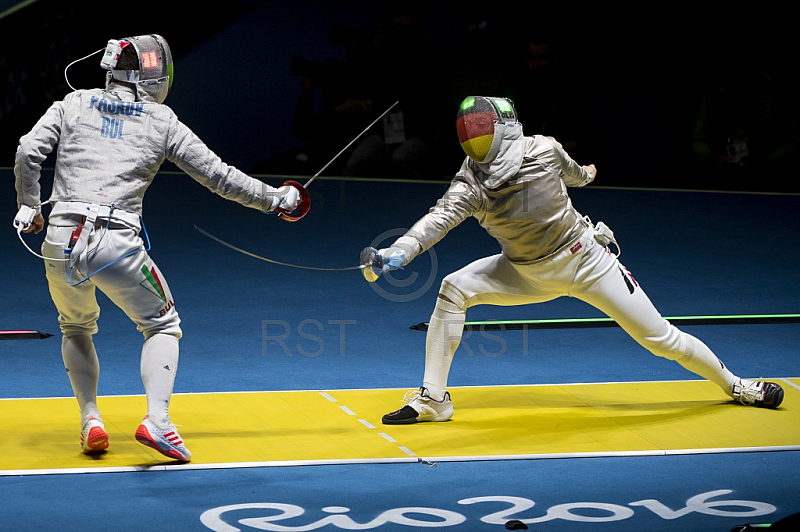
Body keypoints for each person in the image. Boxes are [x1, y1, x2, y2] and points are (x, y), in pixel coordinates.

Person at [362, 95, 784, 425]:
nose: (476, 141)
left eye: (481, 131)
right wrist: (400, 250)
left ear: (505, 129)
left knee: (661, 340)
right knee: (454, 288)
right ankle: (434, 399)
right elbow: (439, 218)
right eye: (469, 135)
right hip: (524, 272)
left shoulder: (543, 150)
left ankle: (737, 385)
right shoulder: (472, 180)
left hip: (587, 263)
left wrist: (586, 174)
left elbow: (574, 173)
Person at [13, 35, 302, 460]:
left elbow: (26, 151)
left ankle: (90, 419)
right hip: (116, 242)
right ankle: (158, 422)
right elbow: (218, 176)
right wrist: (277, 200)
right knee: (162, 325)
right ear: (154, 75)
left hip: (58, 239)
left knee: (74, 326)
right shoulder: (161, 120)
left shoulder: (70, 104)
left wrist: (28, 205)